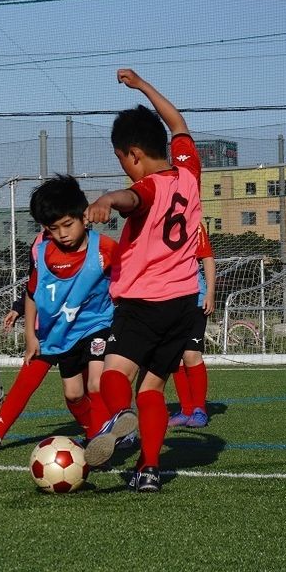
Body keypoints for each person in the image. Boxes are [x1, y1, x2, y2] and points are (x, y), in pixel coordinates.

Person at [84, 68, 203, 492]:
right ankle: (149, 469)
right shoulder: (189, 172)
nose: (123, 166)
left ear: (133, 155)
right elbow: (178, 123)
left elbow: (131, 198)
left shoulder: (148, 188)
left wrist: (106, 198)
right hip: (184, 301)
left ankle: (121, 418)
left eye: (120, 158)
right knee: (152, 386)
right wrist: (143, 86)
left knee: (112, 375)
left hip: (143, 302)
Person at [0, 176, 117, 451]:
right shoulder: (41, 251)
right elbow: (32, 292)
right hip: (53, 331)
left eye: (68, 225)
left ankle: (102, 441)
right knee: (71, 394)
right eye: (53, 228)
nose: (62, 233)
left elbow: (128, 281)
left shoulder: (106, 249)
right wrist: (29, 334)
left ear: (84, 217)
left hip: (95, 326)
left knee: (97, 383)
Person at [170, 221, 215, 428]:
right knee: (176, 357)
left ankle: (199, 409)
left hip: (195, 299)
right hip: (167, 301)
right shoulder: (154, 223)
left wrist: (210, 293)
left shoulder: (193, 224)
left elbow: (207, 258)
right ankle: (186, 409)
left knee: (191, 354)